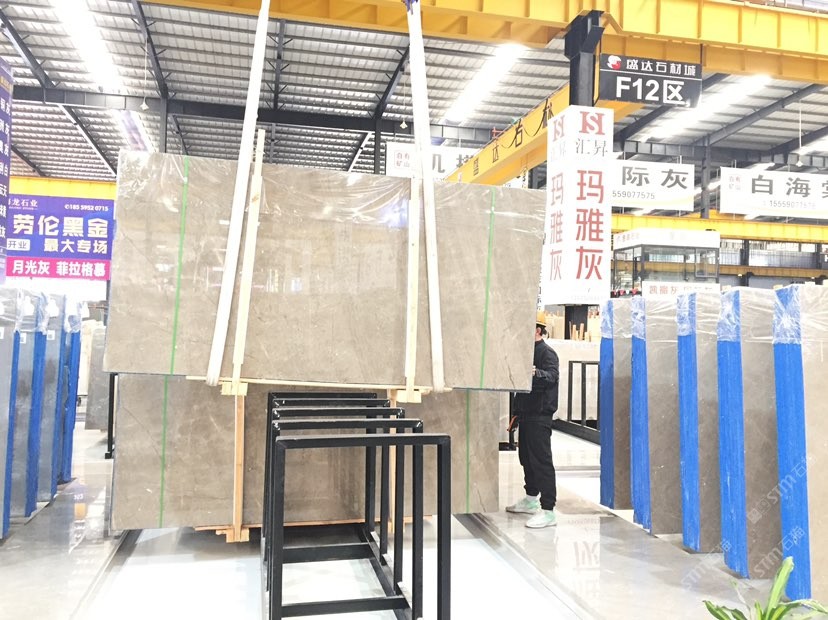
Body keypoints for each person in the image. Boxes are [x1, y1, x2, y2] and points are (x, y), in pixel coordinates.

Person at [506, 310, 560, 528]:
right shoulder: (524, 352)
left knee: (541, 461)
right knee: (526, 458)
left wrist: (536, 373)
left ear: (538, 330)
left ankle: (548, 510)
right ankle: (530, 499)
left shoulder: (547, 353)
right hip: (526, 415)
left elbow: (552, 377)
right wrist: (516, 412)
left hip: (540, 416)